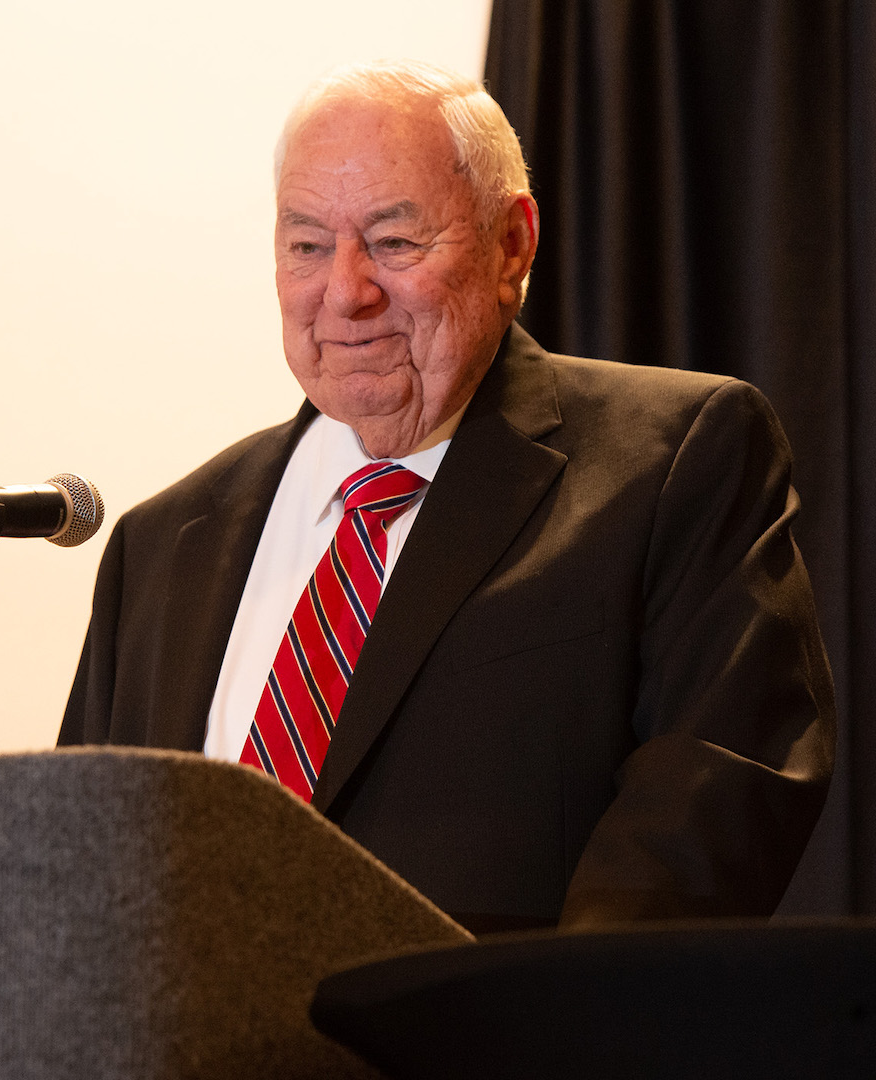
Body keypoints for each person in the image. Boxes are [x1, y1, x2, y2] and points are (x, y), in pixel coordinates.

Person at [59, 60, 835, 933]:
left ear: (512, 246)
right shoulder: (161, 544)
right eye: (308, 244)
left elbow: (714, 798)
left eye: (394, 242)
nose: (345, 293)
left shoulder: (677, 458)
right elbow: (82, 868)